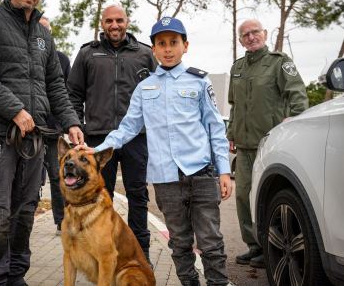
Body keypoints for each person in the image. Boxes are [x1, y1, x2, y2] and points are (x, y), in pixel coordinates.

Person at [81, 17, 233, 286]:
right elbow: (127, 128)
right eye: (161, 43)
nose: (168, 49)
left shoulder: (199, 81)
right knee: (179, 243)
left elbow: (215, 129)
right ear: (153, 50)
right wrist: (96, 148)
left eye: (173, 42)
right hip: (165, 178)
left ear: (185, 46)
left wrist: (224, 171)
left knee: (210, 242)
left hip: (201, 173)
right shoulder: (144, 88)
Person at [0, 0, 83, 286]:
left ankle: (15, 278)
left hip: (34, 139)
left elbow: (55, 84)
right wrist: (15, 109)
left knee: (25, 212)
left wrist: (71, 122)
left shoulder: (43, 37)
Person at [67, 4, 156, 262]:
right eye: (109, 21)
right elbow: (73, 94)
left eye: (119, 20)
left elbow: (155, 95)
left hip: (136, 139)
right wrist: (76, 126)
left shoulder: (144, 54)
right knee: (94, 198)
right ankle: (96, 252)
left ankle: (140, 254)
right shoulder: (87, 54)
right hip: (97, 141)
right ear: (102, 24)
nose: (114, 25)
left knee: (137, 195)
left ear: (127, 22)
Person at [228, 19, 308, 268]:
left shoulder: (279, 62)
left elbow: (297, 94)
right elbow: (234, 105)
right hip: (244, 146)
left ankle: (269, 248)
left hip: (270, 144)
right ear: (241, 40)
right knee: (242, 197)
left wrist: (293, 121)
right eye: (245, 35)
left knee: (266, 196)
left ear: (264, 34)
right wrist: (231, 133)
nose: (251, 37)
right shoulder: (237, 67)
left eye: (255, 32)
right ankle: (254, 246)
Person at [38, 16, 70, 235]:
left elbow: (65, 93)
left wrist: (67, 124)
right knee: (28, 181)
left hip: (52, 131)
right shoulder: (21, 56)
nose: (43, 32)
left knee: (58, 178)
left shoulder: (61, 59)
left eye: (46, 29)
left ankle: (62, 222)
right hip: (27, 131)